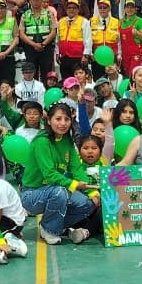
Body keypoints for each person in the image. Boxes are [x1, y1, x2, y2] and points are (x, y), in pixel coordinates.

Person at [21, 103, 95, 245]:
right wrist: (73, 184)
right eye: (58, 119)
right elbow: (49, 174)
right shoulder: (42, 141)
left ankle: (49, 226)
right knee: (60, 192)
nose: (63, 123)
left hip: (56, 189)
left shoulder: (67, 140)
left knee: (88, 204)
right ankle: (51, 229)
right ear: (49, 120)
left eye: (66, 119)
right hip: (32, 194)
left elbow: (77, 169)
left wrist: (91, 192)